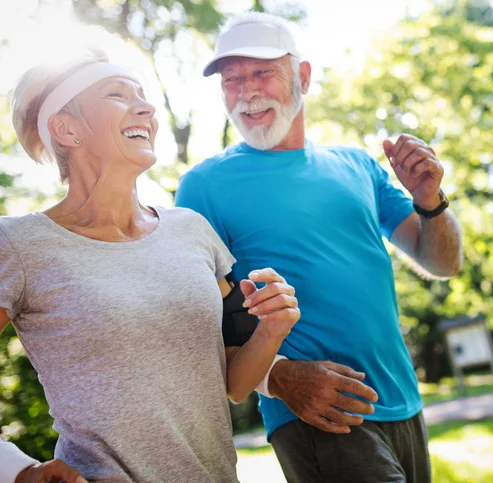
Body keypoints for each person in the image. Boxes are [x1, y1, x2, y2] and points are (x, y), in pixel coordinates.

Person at [175, 12, 463, 483]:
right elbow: (200, 326)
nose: (246, 91)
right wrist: (282, 379)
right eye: (232, 80)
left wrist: (430, 202)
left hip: (404, 401)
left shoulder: (355, 165)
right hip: (318, 412)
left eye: (262, 72)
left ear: (303, 77)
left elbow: (443, 262)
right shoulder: (204, 186)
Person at [0, 47, 301, 483]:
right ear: (66, 129)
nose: (146, 107)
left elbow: (234, 384)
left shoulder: (192, 230)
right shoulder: (19, 244)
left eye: (142, 95)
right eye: (117, 94)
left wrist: (272, 329)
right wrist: (19, 470)